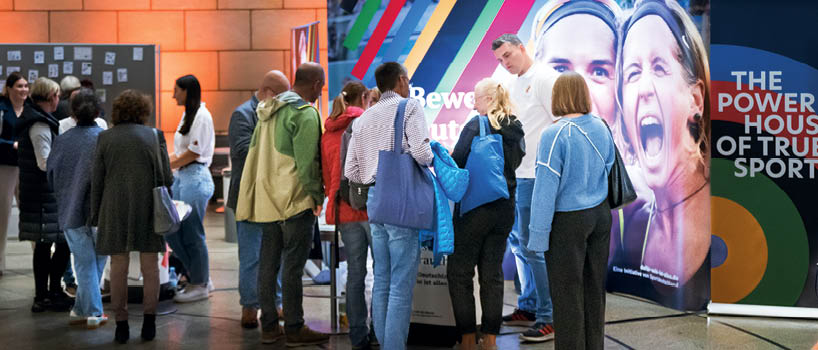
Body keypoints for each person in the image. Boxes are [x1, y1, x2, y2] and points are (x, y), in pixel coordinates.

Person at [616, 0, 710, 304]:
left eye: (659, 67)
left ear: (695, 98)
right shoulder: (632, 223)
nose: (643, 88)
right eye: (632, 73)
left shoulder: (727, 206)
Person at [236, 62, 329, 346]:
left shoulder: (266, 111)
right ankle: (294, 328)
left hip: (267, 201)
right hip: (295, 201)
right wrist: (316, 196)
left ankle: (269, 327)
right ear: (315, 85)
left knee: (268, 264)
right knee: (292, 267)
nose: (320, 93)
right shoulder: (305, 113)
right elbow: (307, 163)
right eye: (321, 88)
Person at [344, 62, 434, 350]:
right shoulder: (409, 107)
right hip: (401, 201)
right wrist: (435, 156)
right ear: (401, 81)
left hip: (374, 202)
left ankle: (384, 343)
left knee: (381, 278)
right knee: (400, 285)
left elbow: (352, 172)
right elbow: (421, 153)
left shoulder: (363, 119)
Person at [529, 71, 615, 350]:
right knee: (593, 290)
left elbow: (545, 190)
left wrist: (537, 237)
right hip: (600, 215)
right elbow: (610, 167)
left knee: (567, 296)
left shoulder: (554, 134)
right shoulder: (602, 126)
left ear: (558, 97)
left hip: (568, 222)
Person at [447, 78, 525, 350]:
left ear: (489, 100)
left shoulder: (475, 125)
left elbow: (457, 162)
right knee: (492, 274)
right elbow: (513, 165)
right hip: (505, 209)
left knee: (460, 271)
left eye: (476, 98)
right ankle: (490, 338)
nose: (473, 103)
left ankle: (468, 337)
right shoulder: (516, 127)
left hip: (474, 210)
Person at [91, 90, 172, 344]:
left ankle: (121, 326)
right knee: (150, 266)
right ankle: (149, 323)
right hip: (148, 205)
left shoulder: (104, 138)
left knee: (118, 266)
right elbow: (166, 177)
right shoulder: (154, 136)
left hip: (114, 206)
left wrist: (95, 215)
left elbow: (97, 181)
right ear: (143, 111)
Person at [491, 33, 558, 342]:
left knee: (534, 249)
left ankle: (549, 317)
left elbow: (561, 126)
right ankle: (529, 305)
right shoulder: (513, 83)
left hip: (536, 175)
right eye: (500, 60)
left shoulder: (545, 77)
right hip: (517, 175)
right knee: (519, 245)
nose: (505, 63)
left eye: (508, 55)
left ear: (521, 47)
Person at [227, 70, 290, 329]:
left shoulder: (277, 113)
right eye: (282, 97)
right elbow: (243, 151)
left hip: (274, 198)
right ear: (267, 93)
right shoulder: (242, 115)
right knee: (251, 256)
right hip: (249, 197)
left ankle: (275, 304)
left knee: (276, 255)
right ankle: (249, 306)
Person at [47, 88, 108, 328]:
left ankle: (82, 308)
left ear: (72, 112)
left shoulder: (62, 140)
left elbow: (50, 175)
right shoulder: (105, 139)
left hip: (70, 209)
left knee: (84, 262)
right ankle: (93, 311)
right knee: (95, 261)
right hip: (102, 211)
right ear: (97, 111)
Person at [322, 81, 373, 349]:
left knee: (355, 274)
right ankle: (379, 330)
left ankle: (357, 336)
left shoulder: (327, 131)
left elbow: (326, 174)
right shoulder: (367, 124)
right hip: (371, 207)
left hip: (343, 209)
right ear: (364, 98)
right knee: (382, 272)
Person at [16, 77, 73, 313]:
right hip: (43, 193)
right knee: (49, 243)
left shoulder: (39, 119)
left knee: (52, 242)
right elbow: (44, 162)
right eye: (58, 95)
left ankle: (50, 292)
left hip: (42, 192)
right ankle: (45, 295)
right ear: (52, 97)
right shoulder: (39, 125)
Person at [167, 74, 215, 303]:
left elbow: (194, 153)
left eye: (176, 90)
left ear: (187, 91)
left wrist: (168, 164)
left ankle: (200, 282)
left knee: (192, 233)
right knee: (173, 231)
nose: (173, 94)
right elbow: (181, 151)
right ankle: (198, 273)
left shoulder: (202, 116)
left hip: (195, 177)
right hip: (183, 177)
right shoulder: (189, 114)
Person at [0, 73, 26, 278]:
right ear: (8, 89)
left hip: (26, 166)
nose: (24, 90)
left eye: (26, 86)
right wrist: (12, 145)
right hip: (5, 165)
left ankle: (40, 260)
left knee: (32, 212)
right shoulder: (2, 108)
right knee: (3, 214)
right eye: (19, 86)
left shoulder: (30, 108)